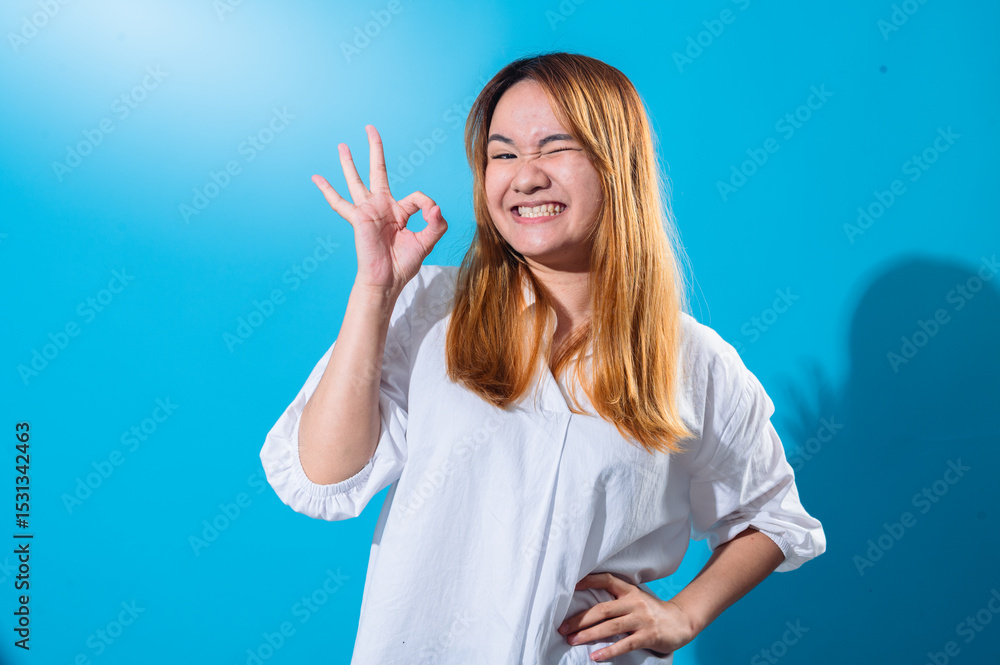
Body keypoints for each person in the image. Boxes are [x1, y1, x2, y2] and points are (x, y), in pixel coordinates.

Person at [259, 52, 826, 664]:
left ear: (619, 167)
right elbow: (324, 479)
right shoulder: (427, 311)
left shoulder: (693, 361)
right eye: (502, 154)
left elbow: (773, 517)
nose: (524, 177)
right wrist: (374, 290)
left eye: (555, 148)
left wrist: (683, 614)